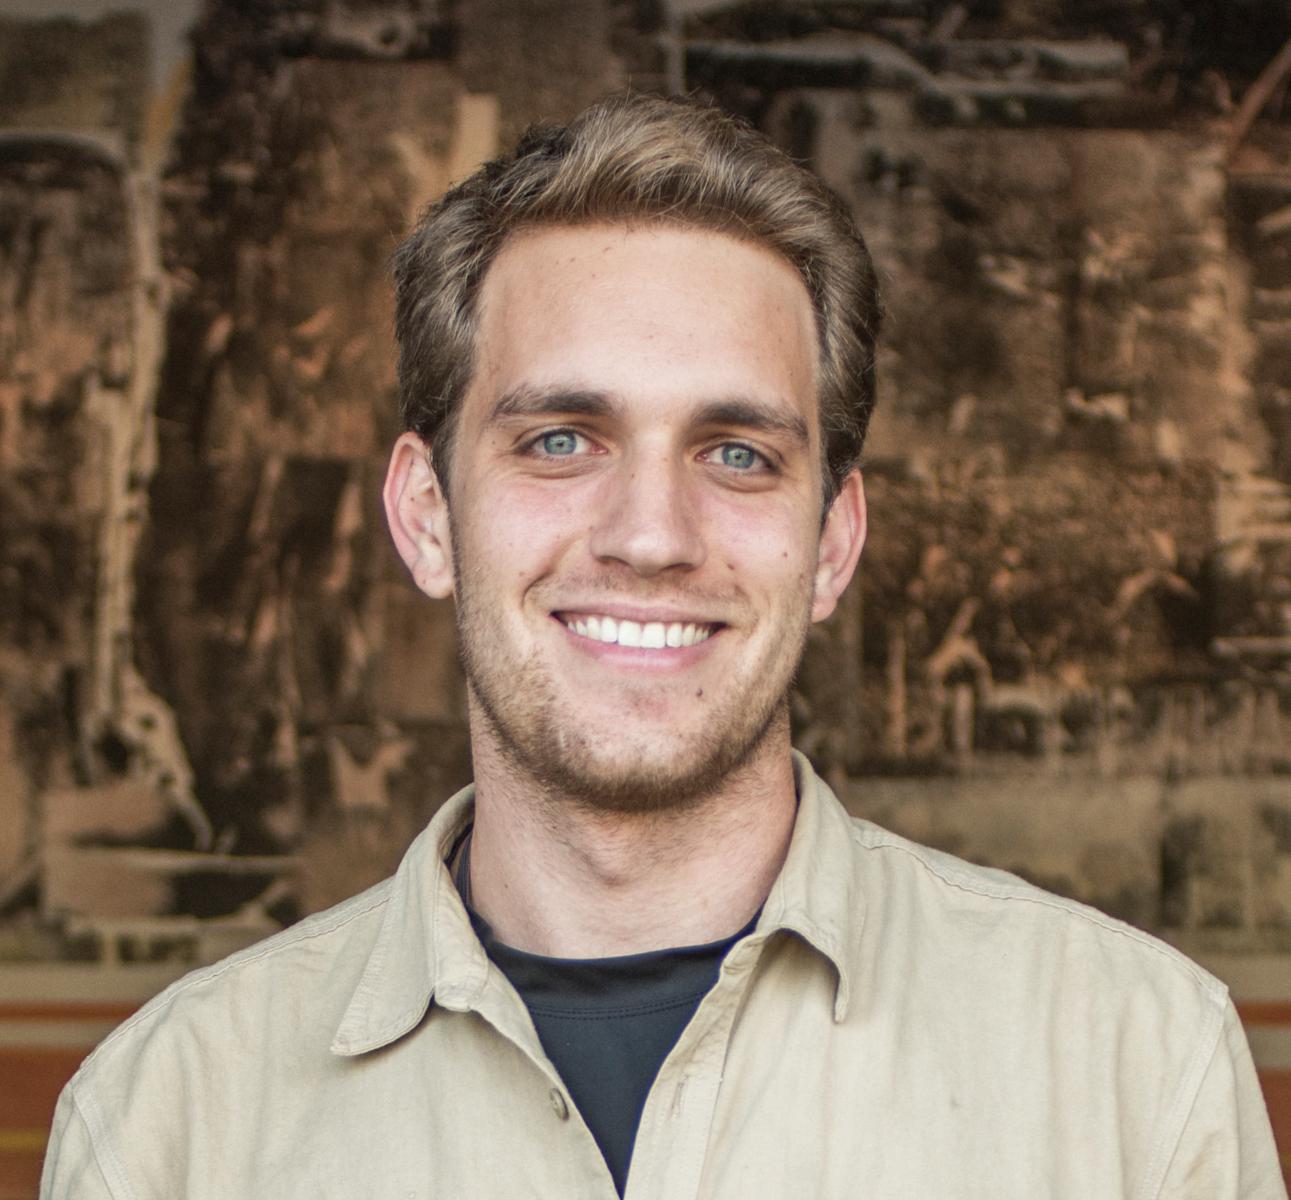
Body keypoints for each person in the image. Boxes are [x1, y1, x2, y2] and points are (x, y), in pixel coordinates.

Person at [41, 92, 1284, 1199]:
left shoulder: (1132, 1069)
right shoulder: (168, 1125)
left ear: (832, 543)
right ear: (426, 517)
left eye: (737, 453)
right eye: (560, 441)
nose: (649, 535)